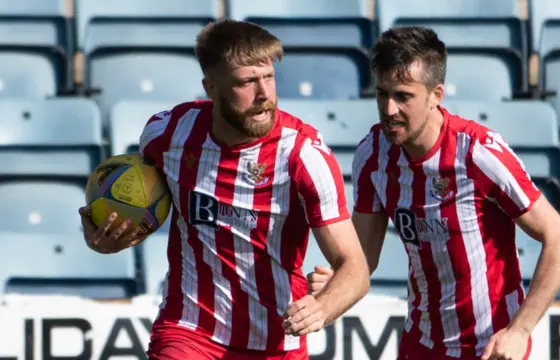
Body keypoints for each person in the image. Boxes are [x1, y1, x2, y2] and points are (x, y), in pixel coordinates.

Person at [79, 19, 370, 359]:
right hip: (189, 330)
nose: (264, 94)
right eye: (247, 82)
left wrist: (323, 306)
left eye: (269, 77)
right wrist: (102, 235)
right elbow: (137, 207)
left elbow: (355, 267)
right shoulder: (167, 135)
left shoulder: (303, 156)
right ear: (211, 87)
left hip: (277, 343)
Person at [307, 26, 560, 360]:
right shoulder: (373, 155)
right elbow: (363, 257)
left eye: (403, 96)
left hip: (491, 346)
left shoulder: (477, 152)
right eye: (382, 94)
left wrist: (520, 330)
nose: (389, 109)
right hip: (421, 343)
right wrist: (338, 277)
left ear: (436, 94)